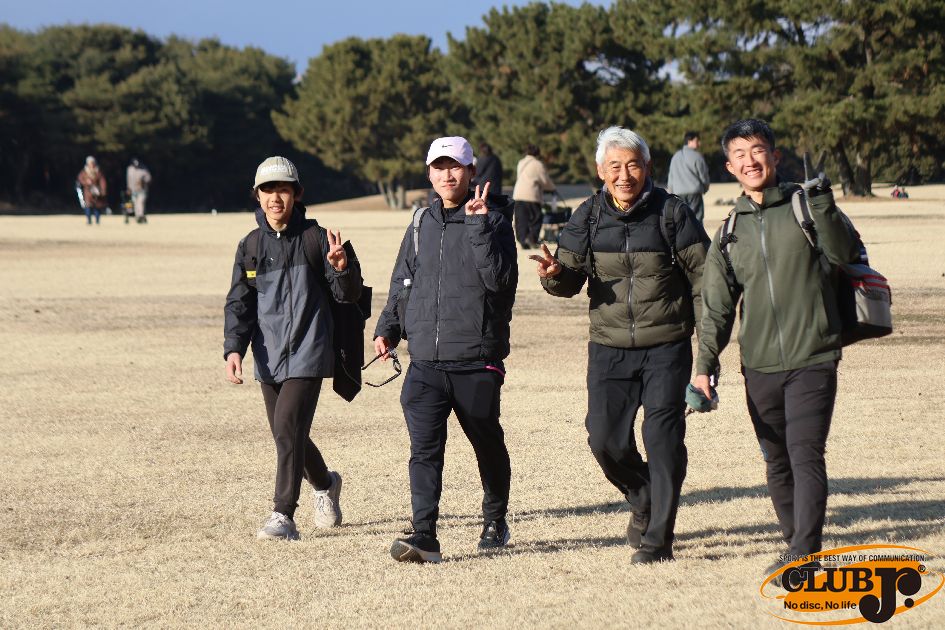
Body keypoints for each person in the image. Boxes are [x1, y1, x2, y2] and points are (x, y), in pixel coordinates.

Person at [691, 119, 861, 581]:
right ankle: (795, 542)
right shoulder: (729, 230)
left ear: (775, 156)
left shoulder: (807, 206)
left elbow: (845, 254)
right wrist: (704, 367)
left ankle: (803, 555)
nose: (750, 161)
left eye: (758, 150)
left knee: (806, 454)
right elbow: (716, 307)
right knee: (777, 460)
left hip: (814, 355)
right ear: (729, 167)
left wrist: (824, 204)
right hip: (759, 364)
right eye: (740, 154)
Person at [531, 126, 709, 564]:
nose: (624, 175)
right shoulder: (588, 215)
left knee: (662, 439)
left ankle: (658, 540)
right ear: (600, 171)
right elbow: (569, 280)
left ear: (647, 166)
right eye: (615, 166)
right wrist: (555, 275)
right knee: (604, 440)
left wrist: (708, 351)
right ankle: (643, 495)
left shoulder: (673, 212)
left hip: (667, 345)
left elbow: (707, 280)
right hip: (609, 347)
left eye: (632, 165)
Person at [374, 136, 517, 563]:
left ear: (472, 172)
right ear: (429, 173)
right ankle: (425, 535)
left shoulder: (494, 221)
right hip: (425, 362)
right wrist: (388, 327)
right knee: (424, 451)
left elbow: (499, 282)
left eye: (455, 166)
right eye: (439, 167)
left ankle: (495, 519)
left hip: (476, 359)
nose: (447, 174)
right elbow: (403, 279)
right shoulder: (421, 222)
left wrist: (478, 226)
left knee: (486, 443)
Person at [224, 156, 363, 541]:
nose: (275, 198)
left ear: (297, 193)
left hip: (310, 351)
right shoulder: (251, 246)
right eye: (268, 190)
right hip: (268, 355)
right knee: (289, 434)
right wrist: (234, 348)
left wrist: (341, 267)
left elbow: (349, 295)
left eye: (283, 189)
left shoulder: (318, 239)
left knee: (287, 429)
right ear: (257, 195)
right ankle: (325, 483)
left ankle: (283, 515)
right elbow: (240, 303)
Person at [512, 144, 555, 249]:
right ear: (538, 153)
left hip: (518, 194)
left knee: (521, 219)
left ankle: (522, 240)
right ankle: (532, 239)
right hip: (531, 195)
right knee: (536, 218)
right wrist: (552, 188)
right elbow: (545, 181)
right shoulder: (538, 164)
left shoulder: (521, 162)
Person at [667, 131, 711, 223]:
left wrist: (671, 192)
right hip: (694, 193)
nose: (699, 143)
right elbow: (704, 175)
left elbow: (671, 177)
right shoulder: (697, 156)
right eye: (697, 140)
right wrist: (705, 188)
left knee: (681, 219)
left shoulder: (675, 157)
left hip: (678, 193)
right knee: (697, 220)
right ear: (689, 141)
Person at [76, 156, 107, 225]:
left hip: (97, 191)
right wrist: (86, 182)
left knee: (98, 206)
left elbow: (102, 181)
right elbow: (80, 179)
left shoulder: (98, 171)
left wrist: (103, 190)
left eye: (92, 163)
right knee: (88, 206)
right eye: (90, 163)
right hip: (88, 192)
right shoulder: (84, 172)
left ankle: (97, 220)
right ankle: (89, 220)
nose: (91, 164)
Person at [125, 158, 152, 224]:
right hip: (133, 190)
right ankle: (138, 217)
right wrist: (128, 188)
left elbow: (148, 178)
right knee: (135, 203)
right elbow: (128, 180)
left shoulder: (143, 169)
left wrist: (144, 181)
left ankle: (141, 215)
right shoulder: (130, 169)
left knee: (140, 202)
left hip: (142, 190)